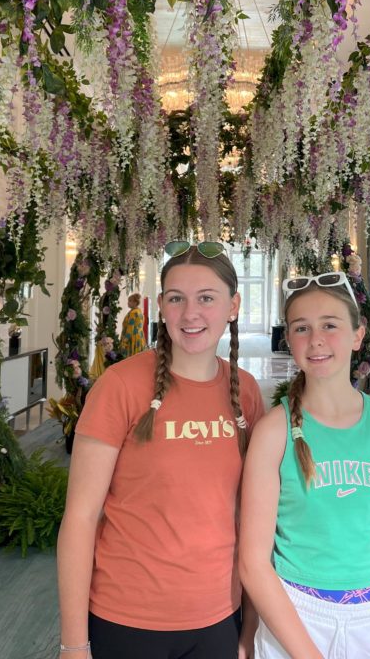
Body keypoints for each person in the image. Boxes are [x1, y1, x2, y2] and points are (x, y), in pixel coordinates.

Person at [57, 241, 265, 658]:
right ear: (162, 306)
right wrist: (73, 644)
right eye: (176, 298)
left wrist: (251, 627)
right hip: (127, 618)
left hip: (220, 615)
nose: (190, 313)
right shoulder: (120, 386)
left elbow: (252, 518)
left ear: (233, 306)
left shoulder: (245, 391)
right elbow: (80, 518)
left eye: (206, 298)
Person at [239, 272, 370, 659]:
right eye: (301, 328)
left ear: (358, 335)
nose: (316, 339)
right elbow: (254, 561)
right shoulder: (274, 432)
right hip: (295, 617)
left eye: (330, 325)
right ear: (288, 340)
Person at [119, 292, 147, 357]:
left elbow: (130, 330)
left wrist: (124, 343)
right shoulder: (139, 311)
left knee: (132, 360)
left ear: (135, 302)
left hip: (133, 340)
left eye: (130, 301)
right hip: (140, 339)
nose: (128, 303)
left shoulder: (133, 313)